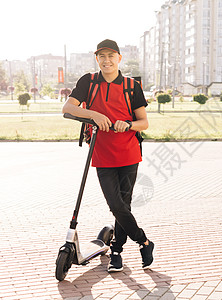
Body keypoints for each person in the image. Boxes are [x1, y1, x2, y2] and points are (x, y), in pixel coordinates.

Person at [62, 39, 154, 272]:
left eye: (111, 56)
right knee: (116, 205)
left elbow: (144, 123)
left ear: (119, 58)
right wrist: (93, 114)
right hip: (101, 152)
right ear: (97, 59)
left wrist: (128, 124)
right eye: (102, 56)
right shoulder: (88, 81)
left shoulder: (132, 86)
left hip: (128, 152)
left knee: (124, 205)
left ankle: (116, 252)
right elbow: (68, 108)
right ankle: (144, 241)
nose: (107, 60)